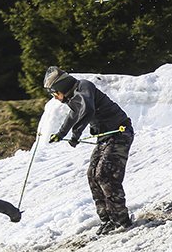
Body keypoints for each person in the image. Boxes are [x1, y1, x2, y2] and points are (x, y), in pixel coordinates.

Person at [45, 66, 135, 234]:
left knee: (104, 174)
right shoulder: (73, 98)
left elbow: (88, 110)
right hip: (104, 137)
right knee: (92, 175)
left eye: (55, 93)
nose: (55, 98)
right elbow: (73, 115)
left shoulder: (84, 86)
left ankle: (122, 219)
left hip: (120, 133)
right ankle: (107, 219)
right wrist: (60, 133)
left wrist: (76, 134)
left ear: (62, 87)